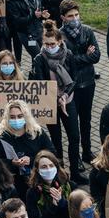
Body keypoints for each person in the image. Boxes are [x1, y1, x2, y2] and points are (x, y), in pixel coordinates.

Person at [32, 21, 85, 181]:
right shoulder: (39, 59)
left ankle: (75, 171)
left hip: (68, 100)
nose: (49, 47)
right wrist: (56, 98)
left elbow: (74, 78)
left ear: (60, 42)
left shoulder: (67, 55)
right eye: (46, 44)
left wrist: (64, 96)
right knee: (56, 140)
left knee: (74, 136)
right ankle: (59, 171)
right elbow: (41, 83)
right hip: (50, 103)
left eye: (52, 44)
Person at [0, 100, 56, 199]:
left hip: (37, 178)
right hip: (12, 181)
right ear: (7, 118)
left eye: (20, 116)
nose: (16, 119)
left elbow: (51, 152)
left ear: (26, 116)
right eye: (12, 117)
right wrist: (11, 162)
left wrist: (32, 160)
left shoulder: (36, 132)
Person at [59, 0, 99, 162]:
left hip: (88, 82)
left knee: (86, 120)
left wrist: (81, 57)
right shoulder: (59, 35)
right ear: (62, 17)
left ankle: (87, 152)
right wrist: (86, 56)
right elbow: (65, 63)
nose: (74, 18)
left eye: (76, 14)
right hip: (70, 87)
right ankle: (75, 160)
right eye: (70, 16)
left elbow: (96, 56)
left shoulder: (87, 31)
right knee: (73, 127)